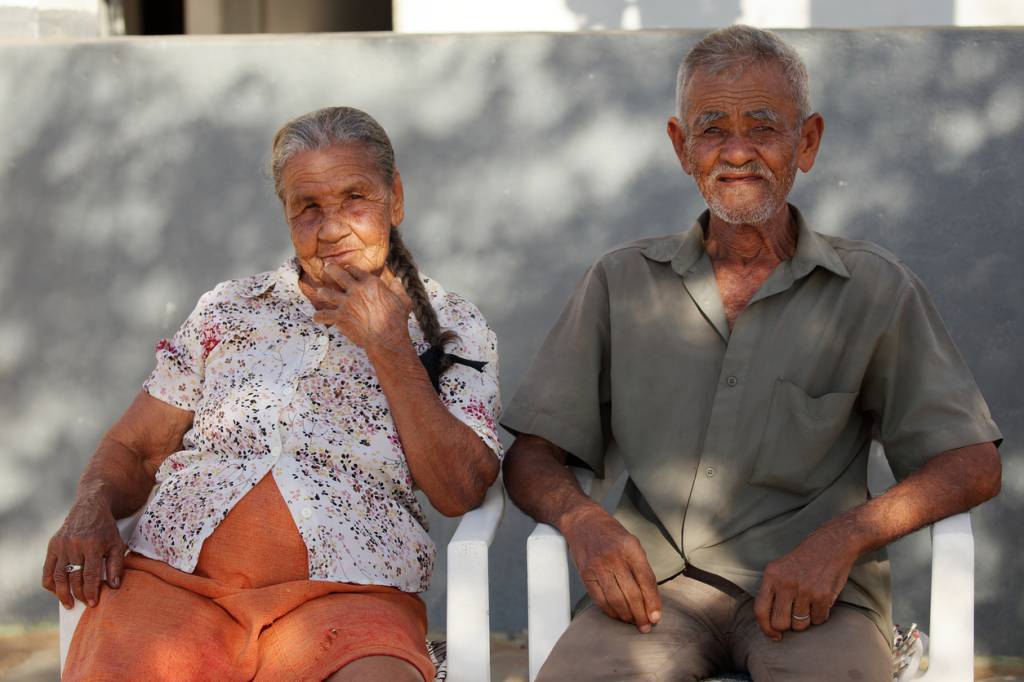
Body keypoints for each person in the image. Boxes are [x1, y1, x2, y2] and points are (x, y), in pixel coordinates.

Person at [501, 25, 1002, 681]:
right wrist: (582, 520)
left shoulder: (875, 289)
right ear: (682, 147)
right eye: (712, 130)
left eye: (763, 128)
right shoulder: (618, 283)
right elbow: (533, 455)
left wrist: (846, 537)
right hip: (653, 594)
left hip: (812, 600)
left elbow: (971, 463)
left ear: (808, 141)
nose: (737, 152)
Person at [42, 106, 502, 682]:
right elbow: (135, 449)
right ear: (287, 215)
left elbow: (462, 489)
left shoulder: (451, 324)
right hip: (174, 588)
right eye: (308, 207)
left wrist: (389, 347)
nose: (332, 228)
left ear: (396, 199)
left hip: (348, 600)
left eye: (355, 198)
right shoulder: (228, 309)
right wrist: (91, 503)